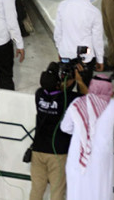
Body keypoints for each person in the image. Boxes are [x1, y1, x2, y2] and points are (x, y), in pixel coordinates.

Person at [61, 76, 114, 200]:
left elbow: (65, 127)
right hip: (99, 160)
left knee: (77, 192)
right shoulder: (113, 105)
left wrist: (81, 131)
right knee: (98, 192)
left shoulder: (77, 103)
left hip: (78, 157)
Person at [31, 63, 85, 200]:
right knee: (57, 191)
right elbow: (88, 97)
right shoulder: (67, 99)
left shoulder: (39, 95)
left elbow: (55, 90)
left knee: (37, 189)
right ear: (58, 83)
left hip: (37, 150)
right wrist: (78, 80)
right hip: (57, 152)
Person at [54, 0, 105, 68]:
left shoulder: (63, 5)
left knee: (66, 80)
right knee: (83, 81)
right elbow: (97, 39)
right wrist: (100, 60)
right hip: (85, 57)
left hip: (65, 54)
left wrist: (60, 50)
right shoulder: (94, 12)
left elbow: (58, 32)